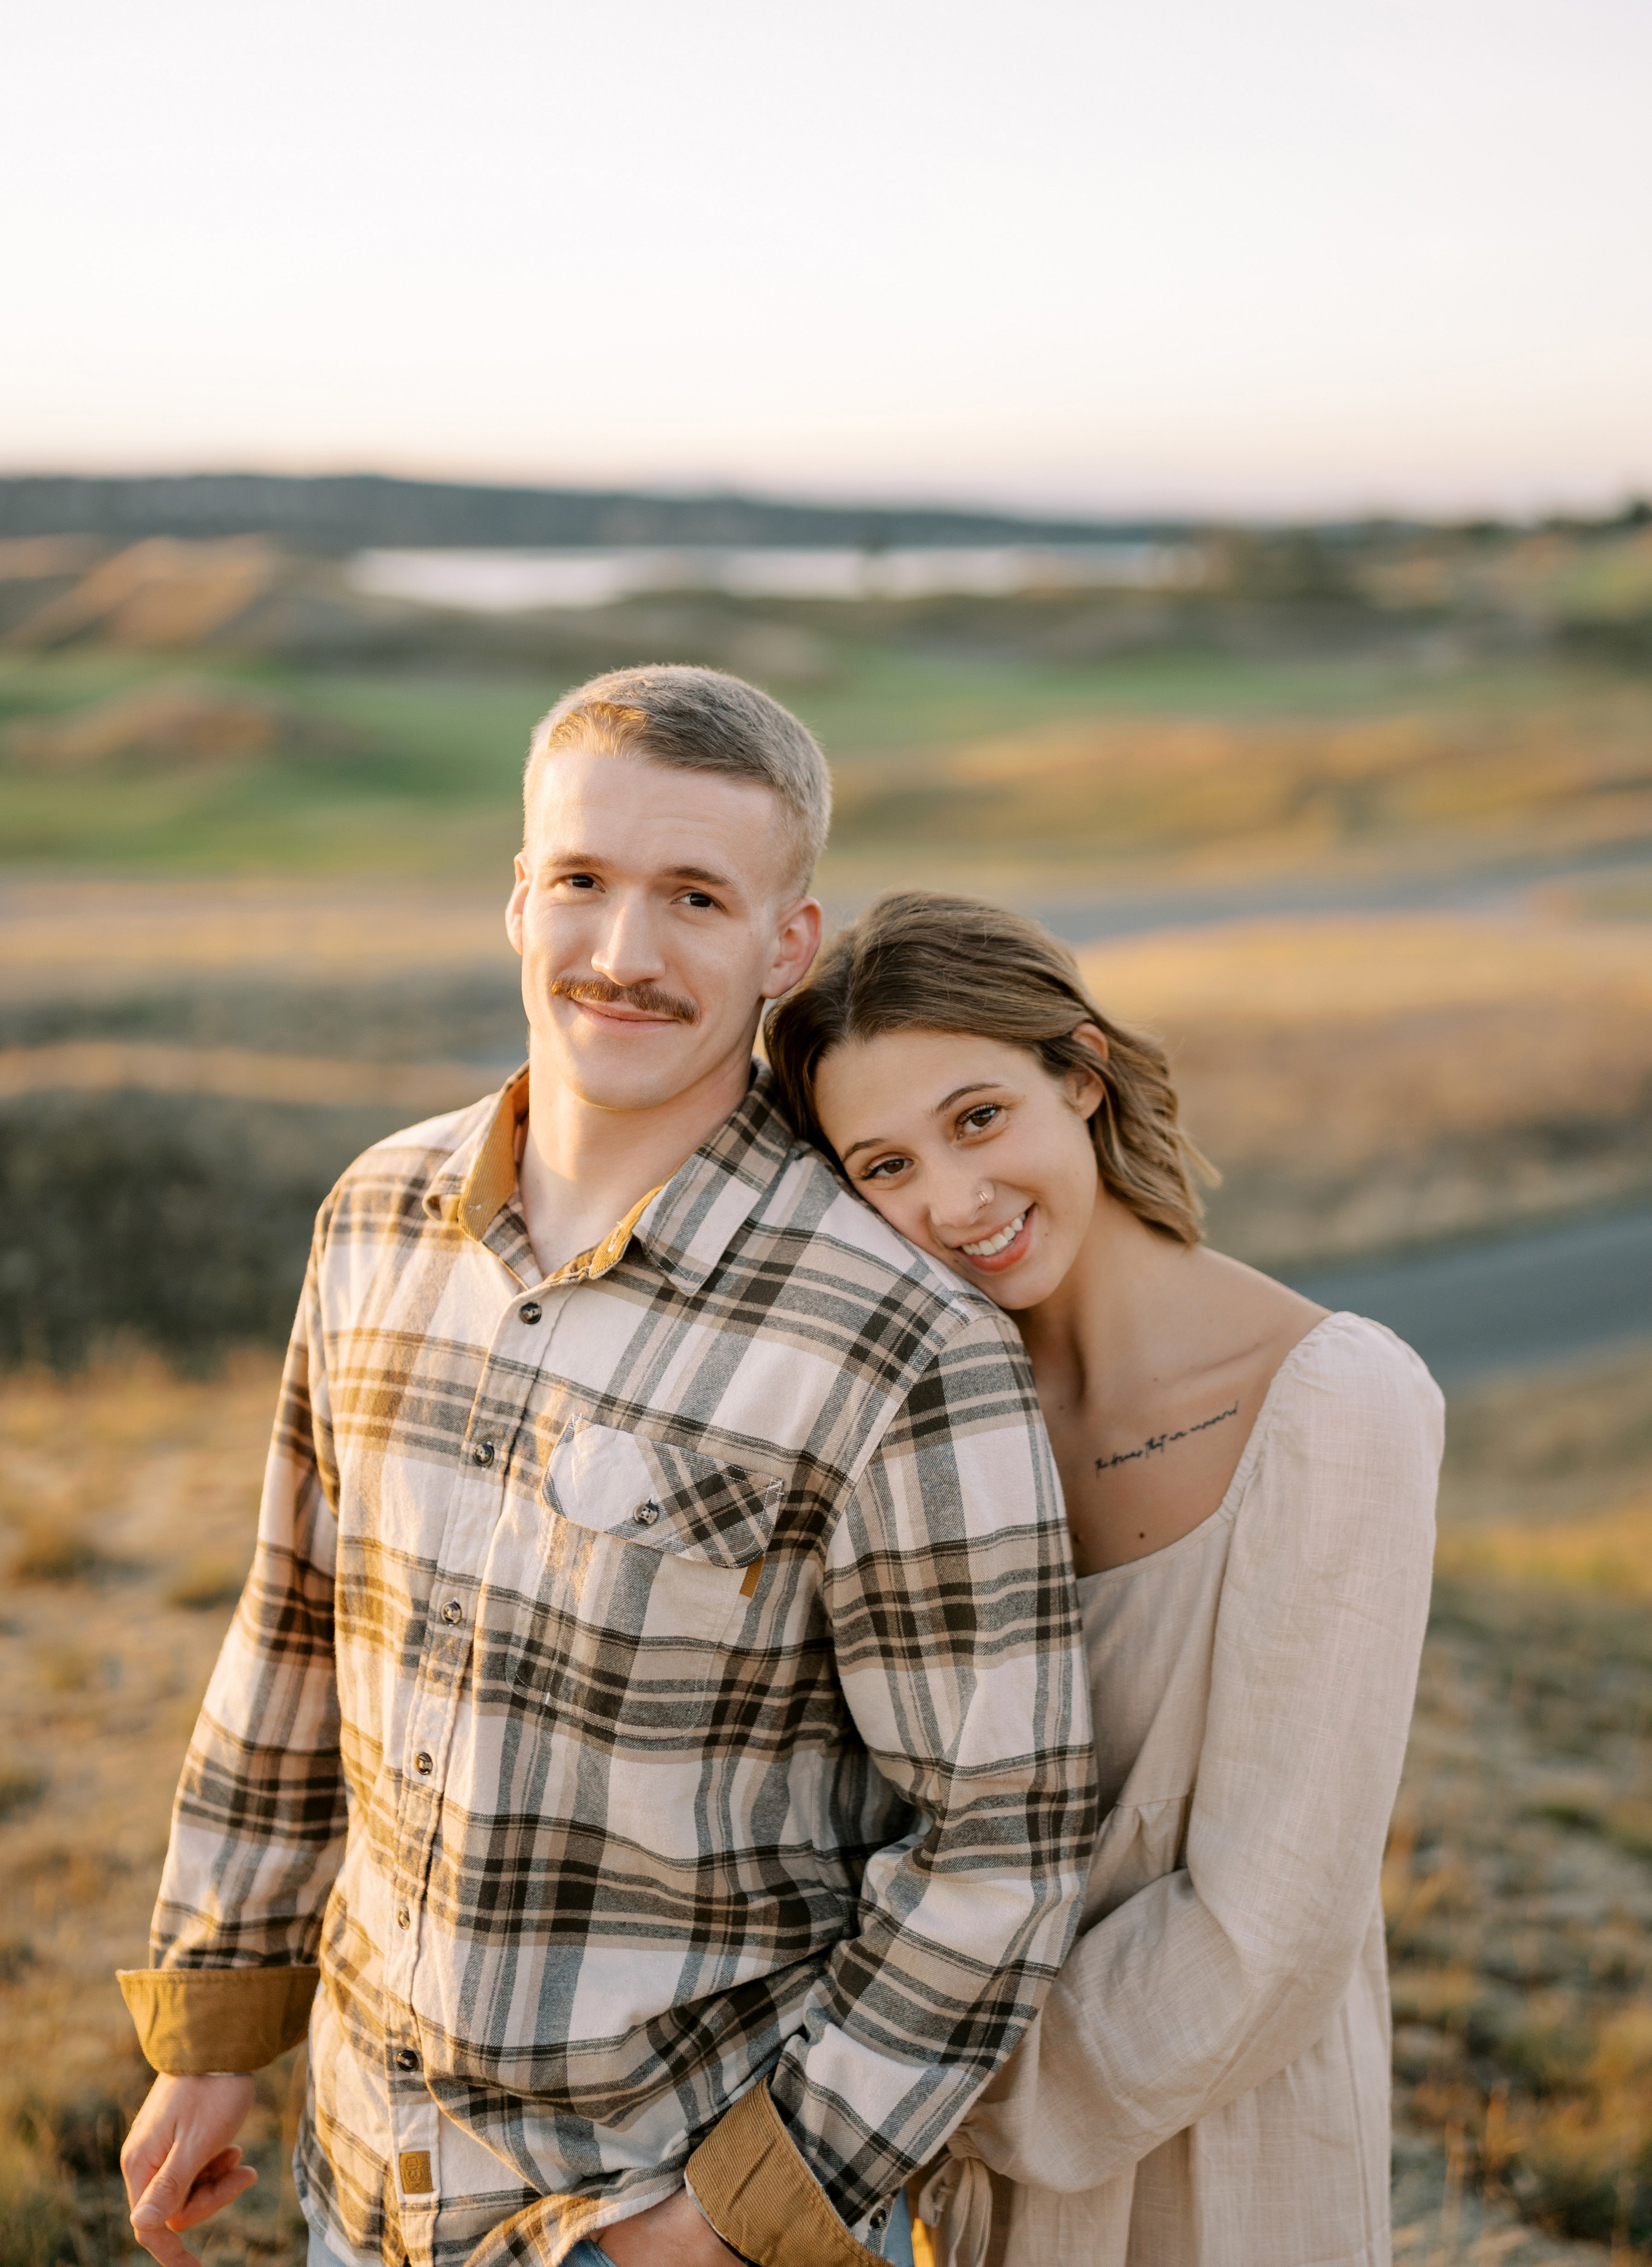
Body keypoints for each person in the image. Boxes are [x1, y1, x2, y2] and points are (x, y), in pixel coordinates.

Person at [116, 675, 1098, 2267]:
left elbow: (999, 1843)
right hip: (360, 2176)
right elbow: (294, 1630)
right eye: (582, 879)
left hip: (646, 2201)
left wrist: (736, 2215)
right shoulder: (375, 1215)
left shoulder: (896, 1339)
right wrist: (215, 2026)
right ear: (520, 897)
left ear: (784, 945)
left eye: (695, 897)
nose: (624, 953)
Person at [765, 890, 1444, 2267]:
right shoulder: (921, 1418)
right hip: (921, 2163)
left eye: (977, 1118)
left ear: (1080, 1073)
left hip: (1210, 2141)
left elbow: (1271, 1923)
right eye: (885, 1166)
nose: (954, 1203)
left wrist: (909, 2103)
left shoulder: (1332, 1400)